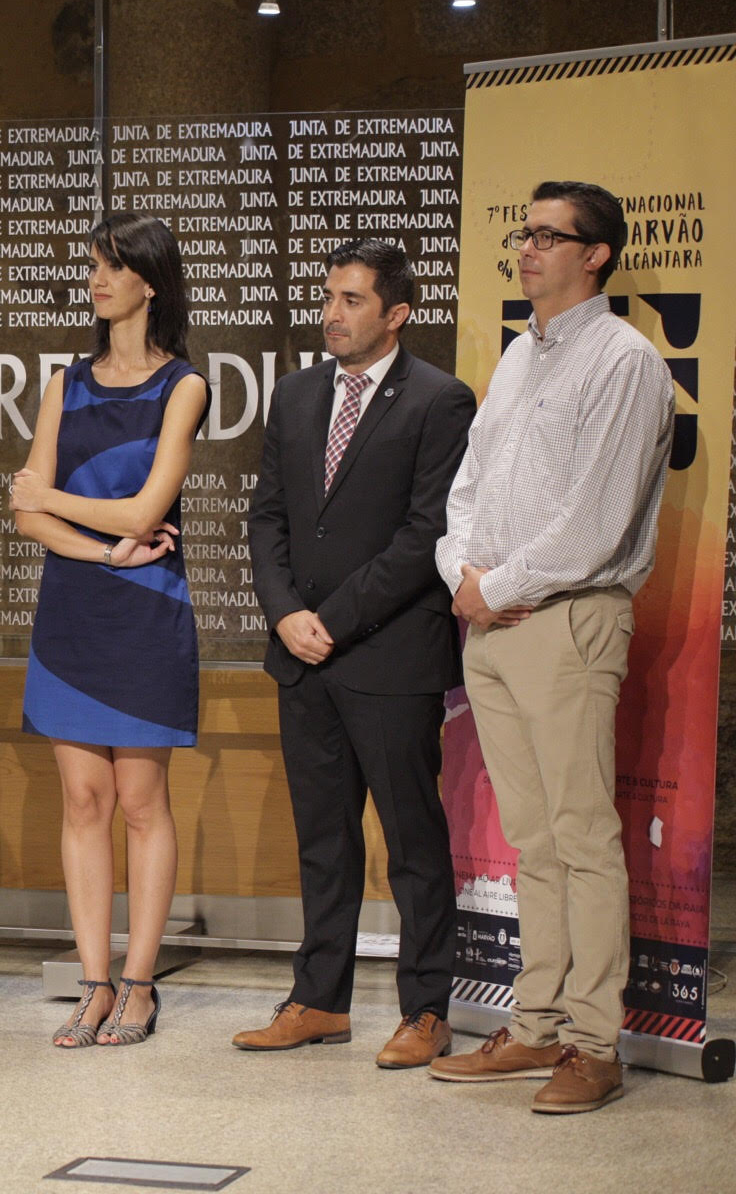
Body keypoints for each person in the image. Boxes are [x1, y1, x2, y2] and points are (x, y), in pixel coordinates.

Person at [428, 182, 672, 1113]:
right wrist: (462, 574)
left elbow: (595, 523)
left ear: (596, 254)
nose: (526, 248)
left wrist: (494, 589)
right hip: (490, 620)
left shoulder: (625, 361)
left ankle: (594, 1046)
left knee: (581, 838)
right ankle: (533, 1027)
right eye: (522, 234)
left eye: (545, 235)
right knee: (532, 840)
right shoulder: (520, 354)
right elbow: (468, 489)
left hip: (565, 617)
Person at [236, 239, 476, 1067]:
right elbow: (267, 517)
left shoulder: (440, 400)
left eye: (351, 300)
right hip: (302, 656)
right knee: (323, 839)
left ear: (396, 313)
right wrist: (284, 614)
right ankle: (318, 1001)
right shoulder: (297, 393)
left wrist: (329, 620)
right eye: (328, 297)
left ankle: (426, 1009)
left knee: (412, 843)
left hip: (389, 658)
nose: (331, 314)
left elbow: (426, 534)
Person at [11, 211, 209, 1048]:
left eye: (113, 266)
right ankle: (93, 983)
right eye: (93, 265)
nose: (96, 280)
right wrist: (100, 547)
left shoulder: (183, 387)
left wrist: (53, 500)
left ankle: (139, 983)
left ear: (150, 284)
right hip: (75, 608)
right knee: (83, 800)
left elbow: (143, 509)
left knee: (140, 801)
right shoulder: (66, 382)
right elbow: (25, 518)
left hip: (148, 608)